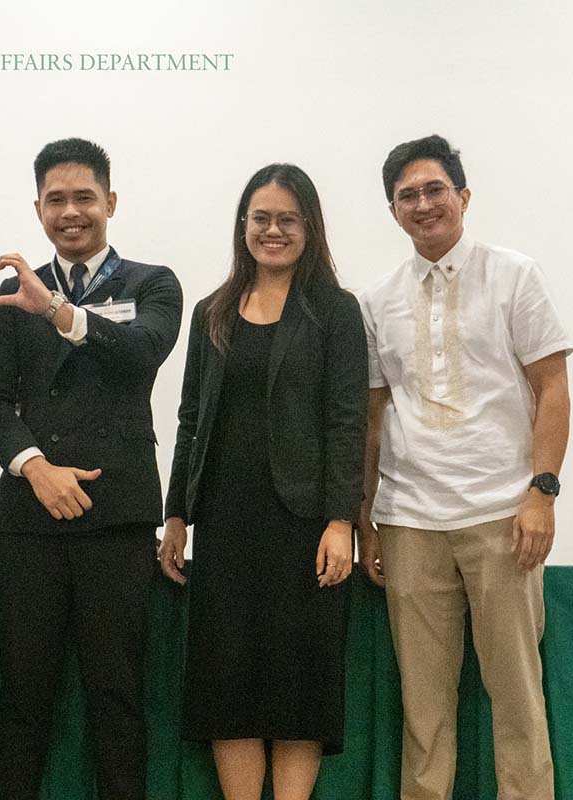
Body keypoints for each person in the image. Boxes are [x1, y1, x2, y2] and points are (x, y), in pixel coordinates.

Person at [356, 134, 572, 800]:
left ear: (463, 196)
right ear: (393, 210)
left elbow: (553, 389)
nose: (423, 205)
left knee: (517, 698)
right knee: (423, 710)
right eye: (408, 196)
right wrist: (366, 519)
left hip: (501, 516)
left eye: (435, 190)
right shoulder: (376, 300)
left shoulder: (514, 276)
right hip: (410, 521)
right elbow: (372, 422)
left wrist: (541, 494)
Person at [0, 138, 183, 800]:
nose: (70, 212)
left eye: (84, 197)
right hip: (29, 518)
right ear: (38, 209)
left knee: (116, 697)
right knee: (22, 697)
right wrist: (35, 467)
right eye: (55, 200)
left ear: (110, 202)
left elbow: (143, 349)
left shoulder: (152, 283)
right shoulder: (10, 294)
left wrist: (59, 312)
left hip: (117, 516)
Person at [159, 163, 368, 800]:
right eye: (261, 219)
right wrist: (176, 516)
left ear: (309, 227)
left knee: (299, 683)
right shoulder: (212, 312)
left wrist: (341, 521)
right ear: (243, 225)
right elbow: (190, 419)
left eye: (287, 219)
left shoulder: (334, 310)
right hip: (225, 523)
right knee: (229, 683)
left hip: (304, 527)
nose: (272, 231)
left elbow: (347, 419)